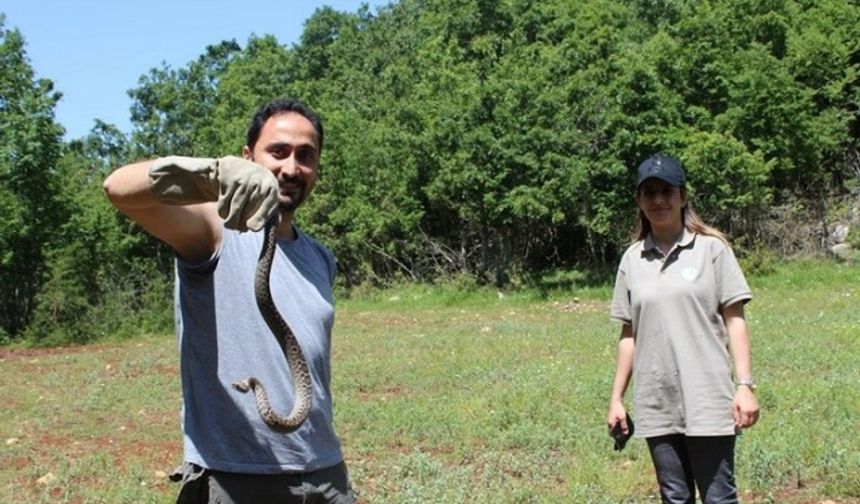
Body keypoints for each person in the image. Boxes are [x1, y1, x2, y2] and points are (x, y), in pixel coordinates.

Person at [103, 98, 356, 503]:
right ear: (247, 157)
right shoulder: (212, 231)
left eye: (305, 156)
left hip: (325, 473)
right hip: (238, 477)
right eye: (277, 152)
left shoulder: (320, 258)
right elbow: (118, 188)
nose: (291, 168)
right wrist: (212, 175)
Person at [606, 154, 760, 504]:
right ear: (639, 201)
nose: (658, 200)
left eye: (667, 191)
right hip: (657, 398)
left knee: (718, 496)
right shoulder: (632, 260)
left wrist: (745, 386)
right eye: (649, 192)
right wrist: (616, 398)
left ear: (683, 196)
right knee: (674, 497)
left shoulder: (712, 249)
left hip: (708, 396)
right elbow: (629, 335)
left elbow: (735, 319)